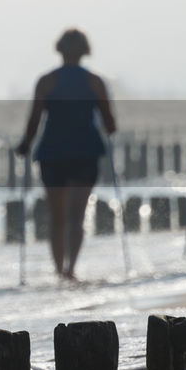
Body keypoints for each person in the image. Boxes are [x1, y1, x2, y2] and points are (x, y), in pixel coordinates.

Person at [16, 28, 116, 279]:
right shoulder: (95, 81)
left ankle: (59, 270)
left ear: (59, 49)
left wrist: (25, 144)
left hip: (52, 153)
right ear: (85, 51)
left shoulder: (46, 81)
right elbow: (110, 124)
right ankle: (71, 269)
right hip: (86, 151)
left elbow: (34, 121)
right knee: (77, 216)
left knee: (57, 217)